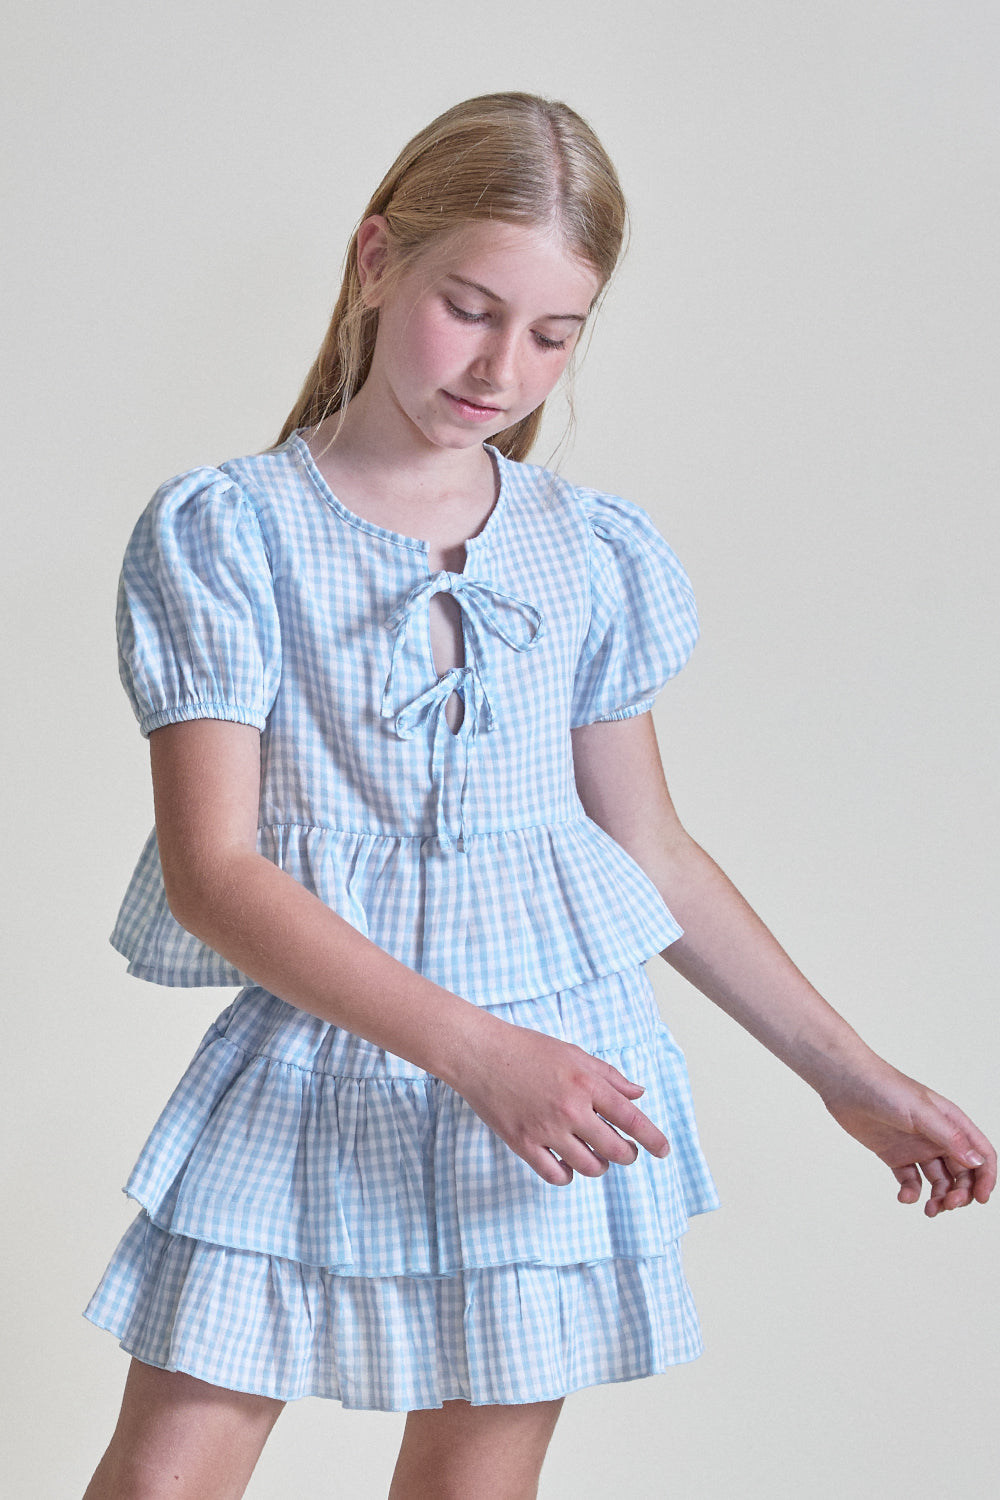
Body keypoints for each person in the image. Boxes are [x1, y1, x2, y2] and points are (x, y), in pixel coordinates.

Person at [82, 92, 995, 1500]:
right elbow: (217, 873)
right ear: (376, 261)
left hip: (558, 1085)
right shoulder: (230, 533)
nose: (502, 368)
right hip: (331, 1058)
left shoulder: (590, 550)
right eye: (469, 308)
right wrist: (476, 1053)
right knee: (166, 1480)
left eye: (554, 334)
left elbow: (653, 852)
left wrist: (852, 1078)